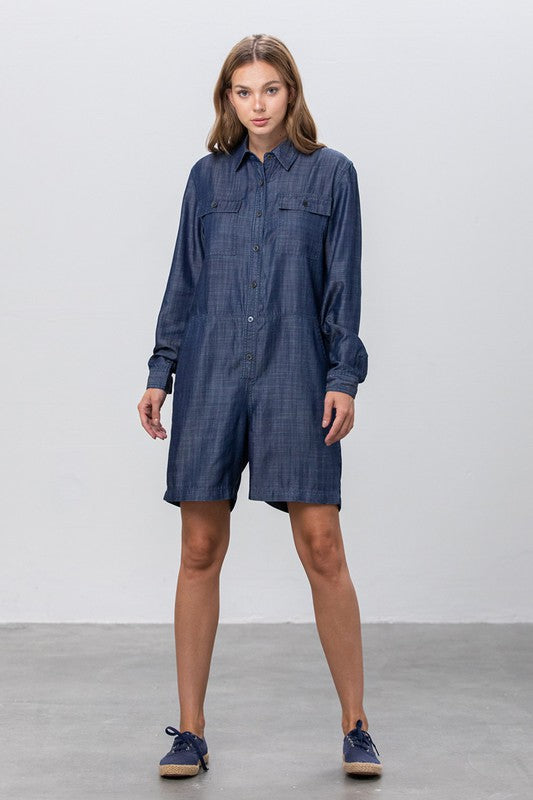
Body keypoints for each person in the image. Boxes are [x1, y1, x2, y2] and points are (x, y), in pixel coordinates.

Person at [137, 33, 381, 779]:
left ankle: (356, 726)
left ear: (291, 93)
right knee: (199, 549)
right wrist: (160, 370)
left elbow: (343, 286)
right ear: (227, 100)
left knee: (322, 545)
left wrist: (342, 377)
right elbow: (183, 279)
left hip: (295, 375)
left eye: (270, 89)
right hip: (211, 373)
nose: (258, 104)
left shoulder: (332, 175)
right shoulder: (205, 179)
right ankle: (190, 730)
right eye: (243, 92)